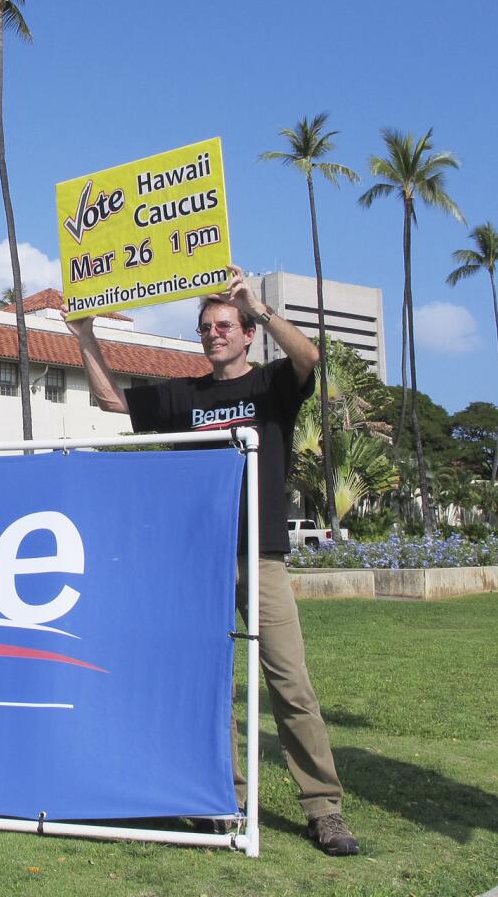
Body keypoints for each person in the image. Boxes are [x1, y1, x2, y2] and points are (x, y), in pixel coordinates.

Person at [65, 263, 360, 856]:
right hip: (199, 562)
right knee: (206, 686)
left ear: (246, 332)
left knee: (290, 681)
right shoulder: (185, 395)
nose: (215, 334)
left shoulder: (273, 385)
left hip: (261, 558)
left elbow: (311, 359)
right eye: (206, 327)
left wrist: (258, 304)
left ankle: (323, 808)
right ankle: (222, 800)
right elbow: (109, 400)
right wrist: (85, 335)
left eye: (225, 325)